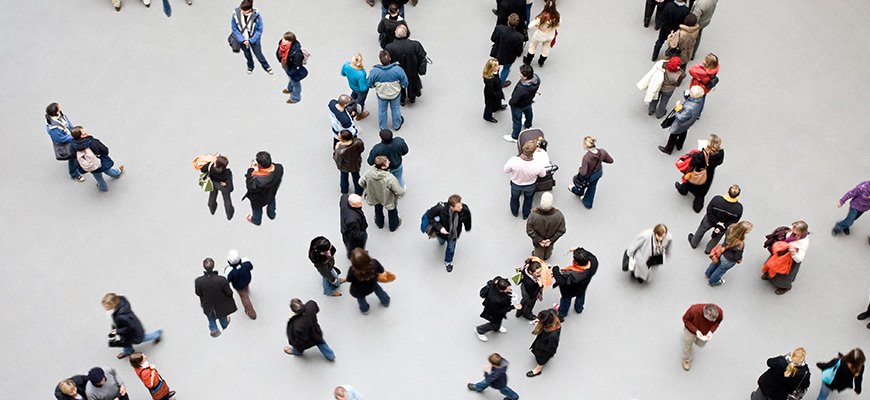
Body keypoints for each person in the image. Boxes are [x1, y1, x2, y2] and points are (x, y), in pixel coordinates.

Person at [102, 293, 162, 359]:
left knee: (144, 338)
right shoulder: (116, 307)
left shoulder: (123, 316)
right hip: (123, 331)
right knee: (125, 342)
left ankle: (157, 334)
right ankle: (127, 351)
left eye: (106, 306)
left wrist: (117, 331)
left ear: (113, 305)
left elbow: (130, 327)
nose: (105, 307)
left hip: (133, 332)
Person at [675, 134, 725, 212]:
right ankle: (697, 206)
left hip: (698, 171)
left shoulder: (703, 155)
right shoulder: (721, 153)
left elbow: (692, 162)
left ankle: (683, 190)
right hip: (709, 173)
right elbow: (720, 162)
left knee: (689, 182)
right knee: (703, 190)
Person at [688, 184, 743, 253]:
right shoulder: (739, 208)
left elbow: (709, 211)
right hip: (723, 225)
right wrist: (723, 225)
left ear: (728, 191)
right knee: (716, 238)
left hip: (710, 219)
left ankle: (694, 242)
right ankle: (708, 250)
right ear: (738, 195)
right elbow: (734, 221)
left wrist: (717, 221)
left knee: (702, 229)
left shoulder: (717, 199)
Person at [426, 194, 472, 272]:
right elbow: (429, 216)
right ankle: (441, 241)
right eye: (458, 206)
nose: (461, 207)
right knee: (441, 241)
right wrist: (439, 228)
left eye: (461, 204)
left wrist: (468, 227)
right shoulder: (440, 209)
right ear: (452, 207)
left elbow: (468, 219)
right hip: (441, 232)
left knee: (451, 248)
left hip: (454, 233)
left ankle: (448, 261)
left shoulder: (464, 209)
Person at [70, 126, 124, 192]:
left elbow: (72, 156)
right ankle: (116, 173)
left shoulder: (72, 146)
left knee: (98, 177)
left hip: (89, 165)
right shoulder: (92, 141)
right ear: (81, 135)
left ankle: (103, 187)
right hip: (100, 161)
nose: (84, 129)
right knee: (108, 170)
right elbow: (104, 149)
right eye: (82, 130)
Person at [762, 221, 810, 295]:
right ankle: (768, 274)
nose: (793, 230)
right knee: (772, 264)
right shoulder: (791, 229)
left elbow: (799, 259)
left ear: (801, 232)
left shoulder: (803, 243)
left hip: (790, 259)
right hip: (781, 252)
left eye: (796, 230)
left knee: (784, 276)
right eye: (794, 227)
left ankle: (784, 287)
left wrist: (793, 253)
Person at [194, 257, 237, 338]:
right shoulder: (221, 280)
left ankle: (214, 329)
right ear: (213, 267)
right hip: (220, 302)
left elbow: (198, 293)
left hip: (207, 302)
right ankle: (224, 324)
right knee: (221, 313)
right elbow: (229, 292)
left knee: (210, 315)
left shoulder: (198, 281)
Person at [360, 155, 405, 231]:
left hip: (374, 196)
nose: (389, 162)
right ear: (383, 167)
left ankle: (379, 223)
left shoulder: (369, 172)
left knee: (378, 209)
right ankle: (393, 226)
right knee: (392, 212)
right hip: (387, 198)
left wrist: (368, 188)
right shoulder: (389, 178)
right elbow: (399, 191)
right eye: (387, 162)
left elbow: (361, 182)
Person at [385, 24, 427, 105]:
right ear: (405, 34)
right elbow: (422, 55)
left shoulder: (390, 47)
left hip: (398, 69)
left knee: (399, 83)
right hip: (412, 67)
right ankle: (412, 97)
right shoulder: (415, 44)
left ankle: (402, 99)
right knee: (413, 81)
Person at [552, 247, 599, 320]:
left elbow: (561, 280)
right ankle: (579, 309)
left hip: (568, 292)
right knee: (581, 296)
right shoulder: (593, 264)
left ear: (575, 262)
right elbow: (591, 256)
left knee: (566, 301)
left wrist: (555, 270)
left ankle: (562, 312)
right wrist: (578, 250)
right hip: (582, 288)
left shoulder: (570, 275)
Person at [568, 136, 614, 208]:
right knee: (592, 187)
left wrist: (580, 169)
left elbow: (583, 172)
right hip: (598, 173)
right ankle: (588, 203)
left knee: (580, 182)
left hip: (588, 176)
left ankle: (578, 191)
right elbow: (610, 161)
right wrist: (601, 160)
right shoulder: (602, 152)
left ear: (586, 146)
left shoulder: (586, 158)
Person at [504, 140, 546, 219]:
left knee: (514, 197)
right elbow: (543, 174)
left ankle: (514, 212)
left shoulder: (514, 160)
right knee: (528, 199)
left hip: (516, 184)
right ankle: (526, 215)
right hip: (530, 185)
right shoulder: (537, 164)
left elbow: (506, 170)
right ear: (533, 153)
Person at [367, 50, 408, 130]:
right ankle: (397, 125)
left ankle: (383, 127)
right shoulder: (398, 69)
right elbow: (405, 83)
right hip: (395, 94)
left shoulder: (374, 71)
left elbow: (369, 83)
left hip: (382, 94)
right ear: (390, 58)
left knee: (382, 110)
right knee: (395, 108)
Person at [44, 103, 85, 182]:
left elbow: (69, 124)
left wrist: (75, 131)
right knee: (72, 157)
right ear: (56, 112)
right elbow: (61, 139)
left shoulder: (61, 115)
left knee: (77, 153)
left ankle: (79, 164)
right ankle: (74, 174)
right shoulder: (52, 128)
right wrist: (74, 136)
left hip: (71, 137)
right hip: (66, 143)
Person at [657, 85, 704, 155]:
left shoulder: (689, 108)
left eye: (691, 92)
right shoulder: (699, 100)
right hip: (688, 122)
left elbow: (680, 117)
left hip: (681, 123)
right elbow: (688, 99)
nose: (689, 92)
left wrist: (677, 107)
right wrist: (686, 94)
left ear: (694, 96)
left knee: (673, 135)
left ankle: (668, 149)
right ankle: (679, 145)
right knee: (683, 132)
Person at [704, 220, 753, 287]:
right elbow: (737, 256)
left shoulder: (730, 229)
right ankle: (713, 281)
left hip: (721, 251)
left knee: (715, 263)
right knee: (721, 270)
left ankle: (708, 273)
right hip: (728, 260)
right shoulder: (740, 244)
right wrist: (739, 260)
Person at [231, 0, 273, 75]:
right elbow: (234, 28)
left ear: (249, 10)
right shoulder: (235, 15)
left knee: (258, 54)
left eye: (244, 10)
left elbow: (259, 30)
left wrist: (251, 40)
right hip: (243, 39)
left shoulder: (256, 16)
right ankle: (250, 66)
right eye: (241, 9)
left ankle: (266, 66)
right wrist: (242, 40)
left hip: (254, 39)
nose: (242, 11)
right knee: (247, 54)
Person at [242, 151, 284, 225]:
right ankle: (272, 215)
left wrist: (250, 171)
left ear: (259, 166)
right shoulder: (279, 168)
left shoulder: (256, 179)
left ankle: (256, 221)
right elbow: (273, 166)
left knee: (257, 210)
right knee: (271, 202)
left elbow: (250, 187)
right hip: (271, 194)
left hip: (258, 199)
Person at [346, 248, 391, 314]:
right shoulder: (374, 263)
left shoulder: (352, 270)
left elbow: (349, 280)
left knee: (361, 299)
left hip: (358, 290)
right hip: (372, 284)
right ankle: (385, 301)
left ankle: (365, 310)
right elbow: (381, 270)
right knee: (378, 289)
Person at [476, 276, 520, 341]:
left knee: (498, 321)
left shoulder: (497, 282)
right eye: (507, 289)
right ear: (501, 290)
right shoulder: (497, 300)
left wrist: (509, 293)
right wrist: (513, 307)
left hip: (494, 308)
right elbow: (500, 310)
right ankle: (480, 330)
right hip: (493, 312)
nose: (510, 289)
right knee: (494, 323)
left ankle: (497, 327)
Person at [504, 64, 540, 143]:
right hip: (528, 101)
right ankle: (528, 124)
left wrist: (511, 102)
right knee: (529, 112)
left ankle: (515, 136)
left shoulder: (522, 88)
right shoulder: (536, 80)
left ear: (525, 76)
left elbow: (514, 99)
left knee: (517, 120)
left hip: (518, 105)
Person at [681, 303, 723, 371]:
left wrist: (711, 331)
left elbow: (718, 322)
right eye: (710, 320)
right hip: (691, 330)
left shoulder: (719, 312)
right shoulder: (693, 309)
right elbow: (685, 320)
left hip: (705, 332)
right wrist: (696, 331)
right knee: (687, 344)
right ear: (704, 315)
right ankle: (686, 359)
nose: (711, 322)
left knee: (700, 344)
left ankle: (696, 339)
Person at [526, 192, 566, 260]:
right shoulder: (559, 215)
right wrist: (550, 240)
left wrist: (540, 240)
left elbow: (530, 230)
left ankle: (539, 259)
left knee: (538, 252)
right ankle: (546, 256)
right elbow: (561, 230)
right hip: (551, 239)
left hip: (538, 240)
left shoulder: (533, 216)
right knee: (549, 249)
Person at [490, 13, 525, 88]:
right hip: (509, 56)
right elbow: (519, 51)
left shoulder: (499, 28)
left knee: (496, 66)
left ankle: (495, 80)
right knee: (506, 69)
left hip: (498, 52)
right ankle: (501, 83)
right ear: (517, 24)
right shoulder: (519, 37)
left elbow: (493, 39)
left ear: (508, 22)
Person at [526, 308, 561, 377]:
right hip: (543, 339)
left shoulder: (553, 335)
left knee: (541, 358)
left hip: (544, 347)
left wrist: (540, 348)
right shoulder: (551, 313)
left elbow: (551, 346)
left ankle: (538, 369)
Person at [524, 1, 560, 67]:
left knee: (533, 46)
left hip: (540, 35)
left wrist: (538, 26)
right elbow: (559, 24)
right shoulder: (557, 16)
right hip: (550, 35)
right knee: (546, 48)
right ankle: (541, 62)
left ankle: (528, 61)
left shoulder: (542, 17)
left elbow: (530, 26)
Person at [276, 31, 307, 104]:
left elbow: (297, 66)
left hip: (292, 70)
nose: (283, 41)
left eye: (286, 40)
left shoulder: (296, 53)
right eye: (283, 38)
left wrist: (291, 73)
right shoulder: (282, 45)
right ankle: (289, 88)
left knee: (296, 83)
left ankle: (296, 98)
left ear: (291, 42)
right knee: (290, 79)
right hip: (286, 66)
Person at [224, 249, 256, 319]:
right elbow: (251, 267)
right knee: (246, 287)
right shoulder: (246, 262)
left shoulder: (229, 270)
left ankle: (251, 313)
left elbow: (227, 280)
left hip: (238, 285)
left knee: (244, 297)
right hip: (247, 279)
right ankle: (247, 291)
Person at [200, 154, 234, 220]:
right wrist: (226, 184)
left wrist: (212, 161)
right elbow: (231, 188)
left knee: (212, 197)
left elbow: (202, 169)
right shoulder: (227, 172)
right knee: (227, 200)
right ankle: (229, 215)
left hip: (213, 184)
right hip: (222, 186)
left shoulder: (211, 166)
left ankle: (212, 210)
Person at [334, 130, 365, 195]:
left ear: (344, 140)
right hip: (355, 164)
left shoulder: (340, 150)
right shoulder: (358, 142)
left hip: (344, 166)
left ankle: (344, 190)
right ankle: (359, 191)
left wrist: (336, 148)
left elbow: (336, 159)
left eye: (339, 137)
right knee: (356, 177)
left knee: (344, 177)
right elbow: (362, 149)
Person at [341, 53, 372, 119]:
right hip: (360, 90)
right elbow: (363, 88)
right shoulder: (361, 73)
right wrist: (369, 82)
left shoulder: (346, 65)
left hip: (352, 86)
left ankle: (349, 106)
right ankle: (359, 115)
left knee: (353, 96)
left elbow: (343, 73)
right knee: (360, 102)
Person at [688, 53, 719, 117]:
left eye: (705, 60)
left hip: (698, 87)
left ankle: (691, 113)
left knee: (693, 99)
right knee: (702, 99)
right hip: (705, 88)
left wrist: (698, 65)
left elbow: (691, 70)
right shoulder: (715, 67)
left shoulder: (702, 73)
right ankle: (698, 114)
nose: (703, 61)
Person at [340, 194, 369, 259]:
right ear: (352, 205)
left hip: (345, 226)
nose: (362, 203)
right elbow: (355, 234)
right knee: (353, 247)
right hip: (350, 234)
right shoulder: (352, 219)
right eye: (359, 203)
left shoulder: (344, 198)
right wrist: (364, 235)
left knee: (349, 245)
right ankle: (353, 257)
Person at [482, 58, 507, 123]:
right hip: (492, 94)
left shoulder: (495, 72)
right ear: (492, 68)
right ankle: (487, 116)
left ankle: (498, 106)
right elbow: (490, 92)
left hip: (497, 90)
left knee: (497, 101)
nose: (498, 67)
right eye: (496, 66)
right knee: (490, 106)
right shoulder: (489, 80)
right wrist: (497, 95)